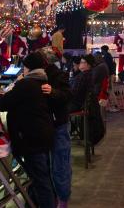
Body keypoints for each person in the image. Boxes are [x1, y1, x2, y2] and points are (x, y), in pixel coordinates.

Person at [0, 52, 55, 208]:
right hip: (41, 134)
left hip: (31, 137)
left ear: (28, 68)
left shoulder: (26, 84)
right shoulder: (41, 81)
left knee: (40, 180)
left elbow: (5, 103)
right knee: (39, 177)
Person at [40, 49, 73, 208]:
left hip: (58, 124)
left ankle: (62, 199)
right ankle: (56, 198)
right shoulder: (36, 76)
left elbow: (66, 96)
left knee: (60, 165)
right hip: (45, 126)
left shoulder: (59, 75)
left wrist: (52, 92)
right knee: (51, 164)